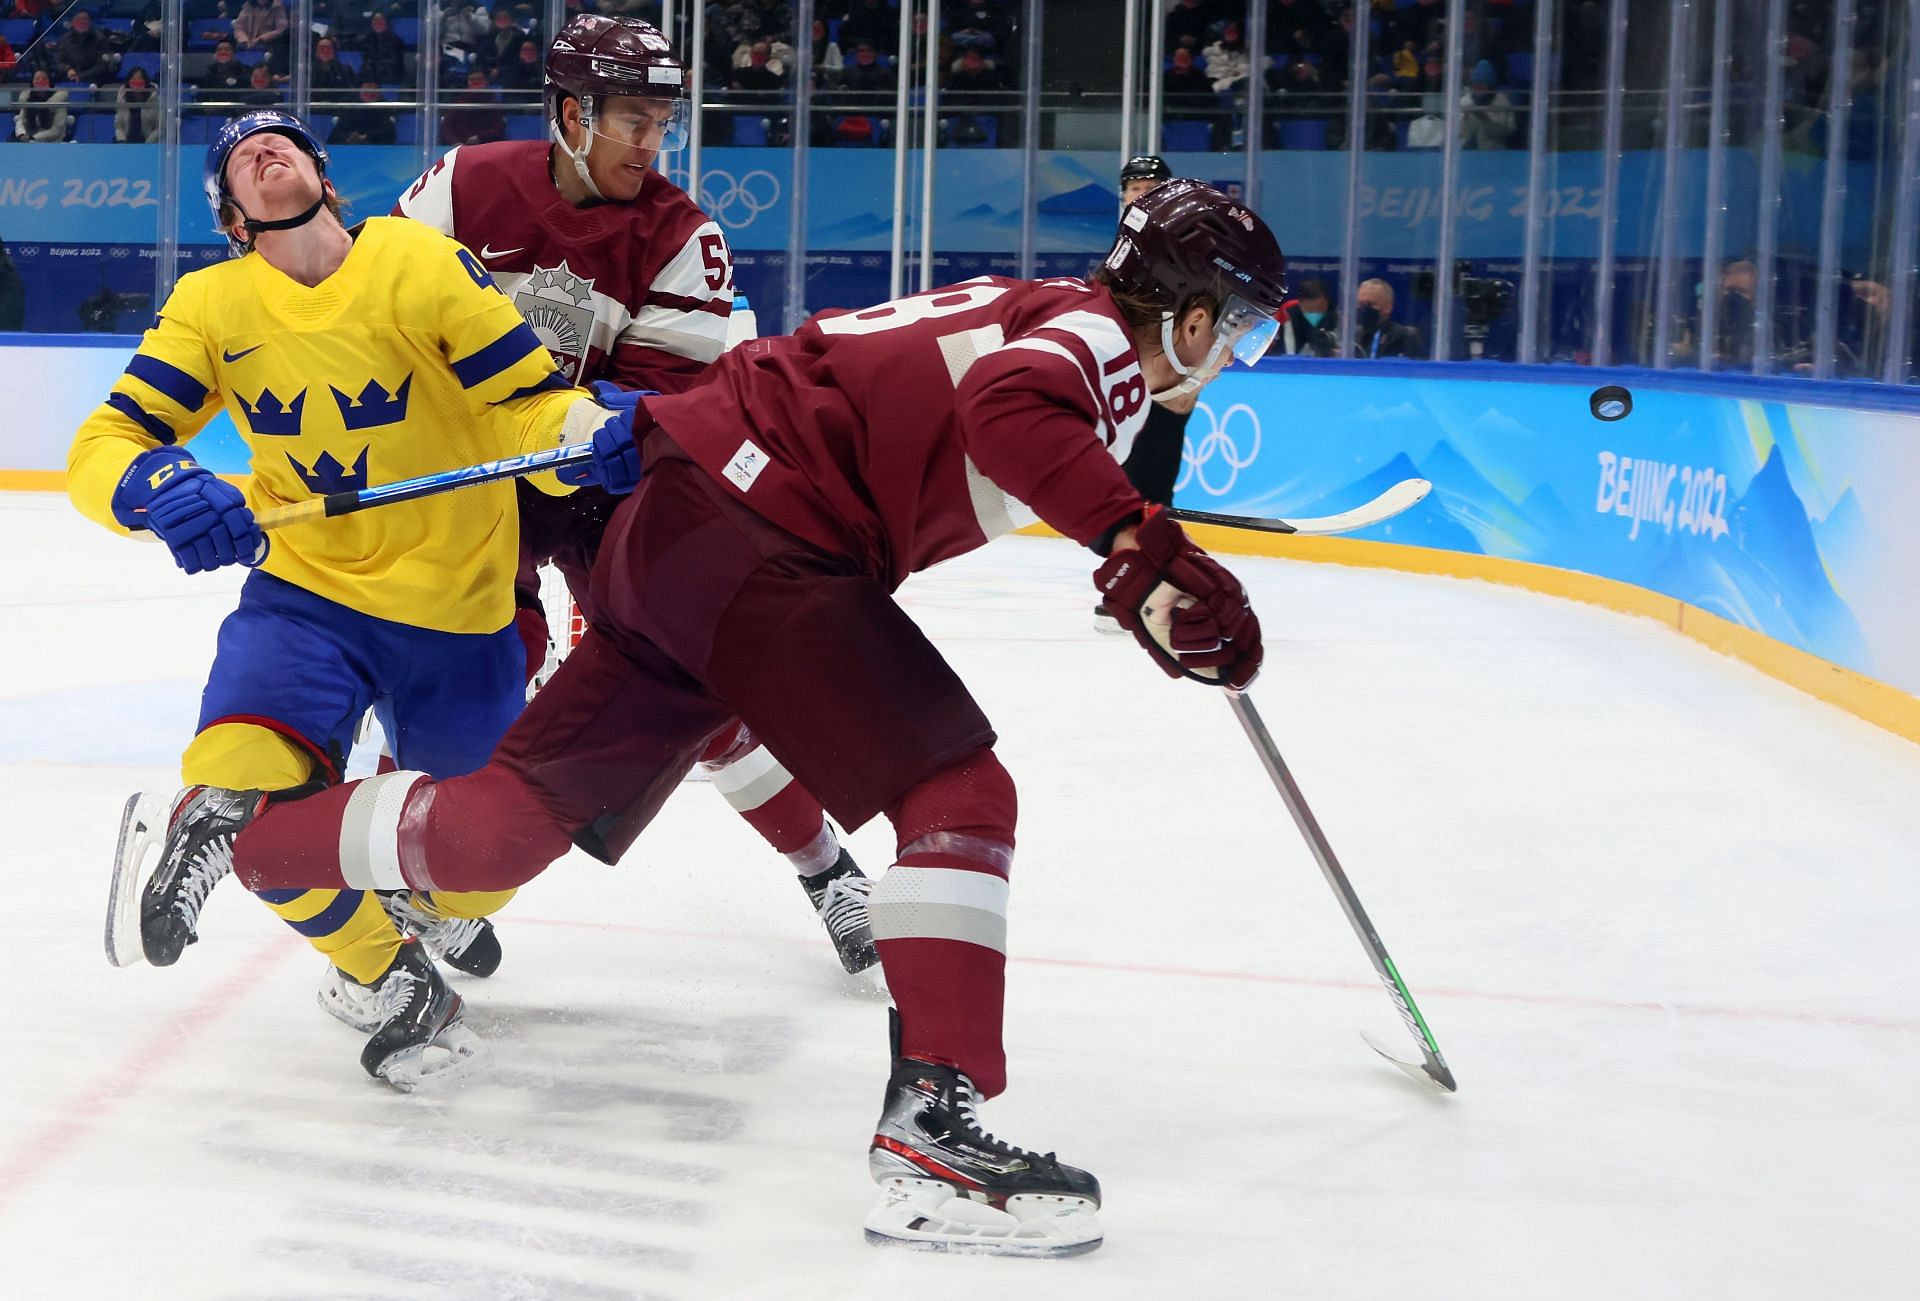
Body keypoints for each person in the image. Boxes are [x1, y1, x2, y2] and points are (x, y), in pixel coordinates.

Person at [118, 177, 1285, 1256]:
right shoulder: (1102, 343)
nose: (1233, 352)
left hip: (681, 518)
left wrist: (1142, 569)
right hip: (764, 529)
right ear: (1188, 316)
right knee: (959, 794)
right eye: (1239, 326)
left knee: (499, 828)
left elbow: (979, 412)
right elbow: (1009, 412)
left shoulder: (1045, 306)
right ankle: (933, 1132)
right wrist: (1142, 546)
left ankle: (237, 825)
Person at [76, 109, 640, 1088]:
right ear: (231, 215)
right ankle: (385, 972)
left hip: (461, 614)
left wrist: (585, 431)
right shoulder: (211, 305)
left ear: (324, 176)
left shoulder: (422, 265)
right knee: (240, 777)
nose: (263, 145)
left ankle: (426, 898)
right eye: (241, 153)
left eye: (282, 139)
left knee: (492, 860)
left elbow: (524, 407)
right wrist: (158, 491)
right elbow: (108, 442)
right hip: (308, 597)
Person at [393, 13, 880, 977]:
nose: (652, 144)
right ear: (571, 114)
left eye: (663, 122)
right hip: (470, 480)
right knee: (475, 668)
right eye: (632, 120)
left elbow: (660, 402)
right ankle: (420, 884)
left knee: (699, 676)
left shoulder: (682, 236)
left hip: (595, 480)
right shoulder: (461, 184)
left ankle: (826, 869)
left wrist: (608, 419)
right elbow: (382, 314)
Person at [1096, 155, 1190, 632]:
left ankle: (1151, 581)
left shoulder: (1183, 240)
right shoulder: (1123, 247)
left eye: (1147, 187)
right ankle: (1142, 579)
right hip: (1128, 372)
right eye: (1131, 189)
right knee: (1127, 482)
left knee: (1151, 477)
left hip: (1168, 374)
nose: (1137, 196)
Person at [1355, 277, 1421, 357]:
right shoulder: (1353, 337)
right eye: (1360, 304)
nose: (1364, 309)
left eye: (1370, 304)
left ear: (1388, 307)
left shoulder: (1403, 338)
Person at [440, 66, 507, 145]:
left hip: (486, 146)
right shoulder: (459, 101)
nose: (475, 82)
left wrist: (480, 138)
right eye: (471, 80)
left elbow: (499, 128)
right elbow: (447, 125)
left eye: (479, 79)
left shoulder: (493, 103)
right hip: (460, 147)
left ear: (486, 81)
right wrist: (455, 142)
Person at [1279, 276, 1339, 356]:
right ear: (1300, 304)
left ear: (1327, 302)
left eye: (1320, 308)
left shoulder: (1334, 316)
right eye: (1310, 309)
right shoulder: (1290, 316)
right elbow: (1289, 352)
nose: (1316, 312)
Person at [54, 8, 115, 85]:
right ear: (72, 22)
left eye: (84, 19)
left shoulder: (100, 39)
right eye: (78, 20)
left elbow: (102, 66)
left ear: (90, 22)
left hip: (94, 79)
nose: (81, 22)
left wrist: (81, 76)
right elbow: (58, 61)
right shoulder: (66, 38)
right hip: (70, 77)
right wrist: (68, 69)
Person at [330, 80, 398, 144]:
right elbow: (340, 130)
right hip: (347, 144)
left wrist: (366, 137)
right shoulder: (349, 108)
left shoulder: (384, 109)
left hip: (375, 145)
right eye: (366, 93)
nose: (369, 96)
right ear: (360, 93)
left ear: (378, 94)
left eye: (372, 94)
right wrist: (348, 137)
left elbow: (387, 131)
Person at [14, 68, 69, 140]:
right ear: (32, 83)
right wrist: (21, 134)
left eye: (44, 78)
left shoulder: (60, 101)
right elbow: (20, 121)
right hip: (28, 141)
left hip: (53, 143)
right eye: (37, 79)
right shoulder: (27, 99)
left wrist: (34, 138)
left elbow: (56, 131)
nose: (40, 81)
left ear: (49, 82)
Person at [115, 64, 159, 142]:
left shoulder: (156, 100)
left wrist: (147, 145)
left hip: (150, 144)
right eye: (133, 79)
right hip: (127, 143)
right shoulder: (122, 99)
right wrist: (122, 142)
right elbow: (119, 126)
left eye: (140, 79)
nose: (137, 82)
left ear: (145, 82)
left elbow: (159, 128)